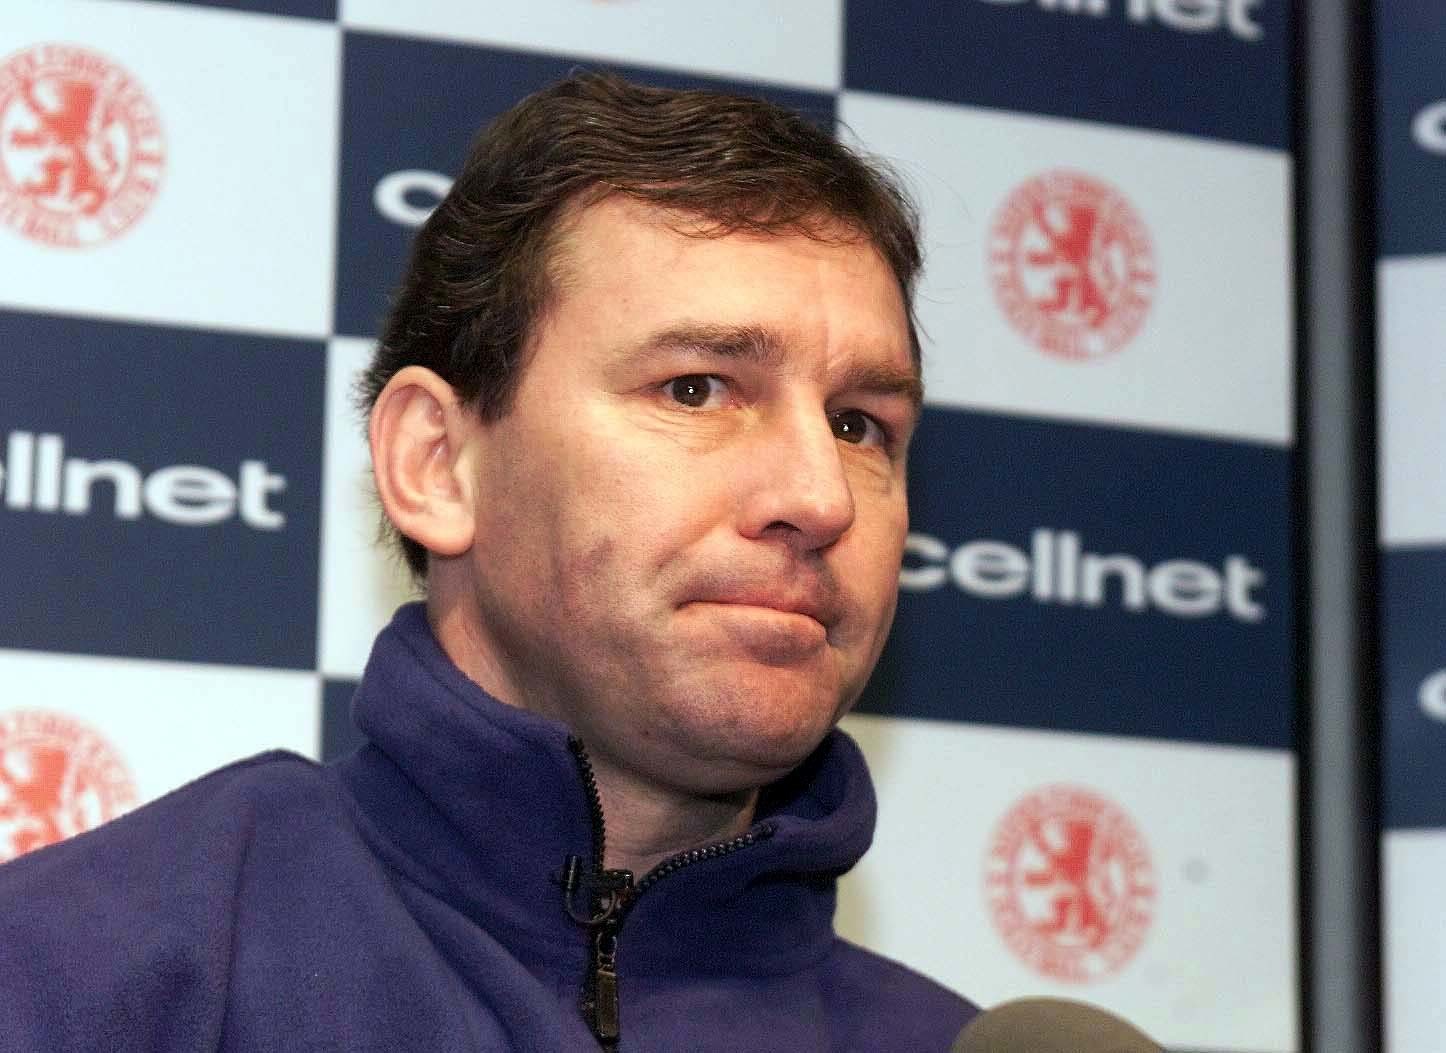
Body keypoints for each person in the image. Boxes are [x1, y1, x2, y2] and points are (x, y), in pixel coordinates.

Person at [0, 72, 978, 1051]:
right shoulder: (83, 980)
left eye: (860, 424)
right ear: (437, 464)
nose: (819, 498)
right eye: (696, 389)